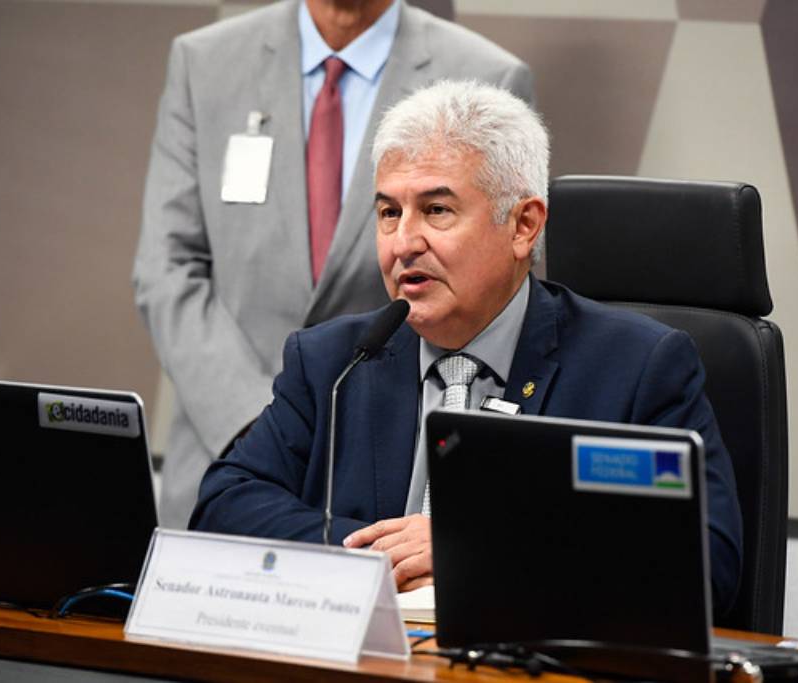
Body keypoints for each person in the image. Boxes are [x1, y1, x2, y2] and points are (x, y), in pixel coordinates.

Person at [190, 80, 744, 614]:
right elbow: (223, 504)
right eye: (389, 213)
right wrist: (377, 557)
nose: (404, 243)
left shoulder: (635, 368)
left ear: (524, 226)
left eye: (437, 210)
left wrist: (475, 549)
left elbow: (703, 565)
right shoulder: (336, 361)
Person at [132, 0, 533, 528]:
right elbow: (168, 267)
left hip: (386, 485)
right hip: (228, 455)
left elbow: (498, 283)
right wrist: (265, 426)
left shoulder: (484, 73)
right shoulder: (204, 60)